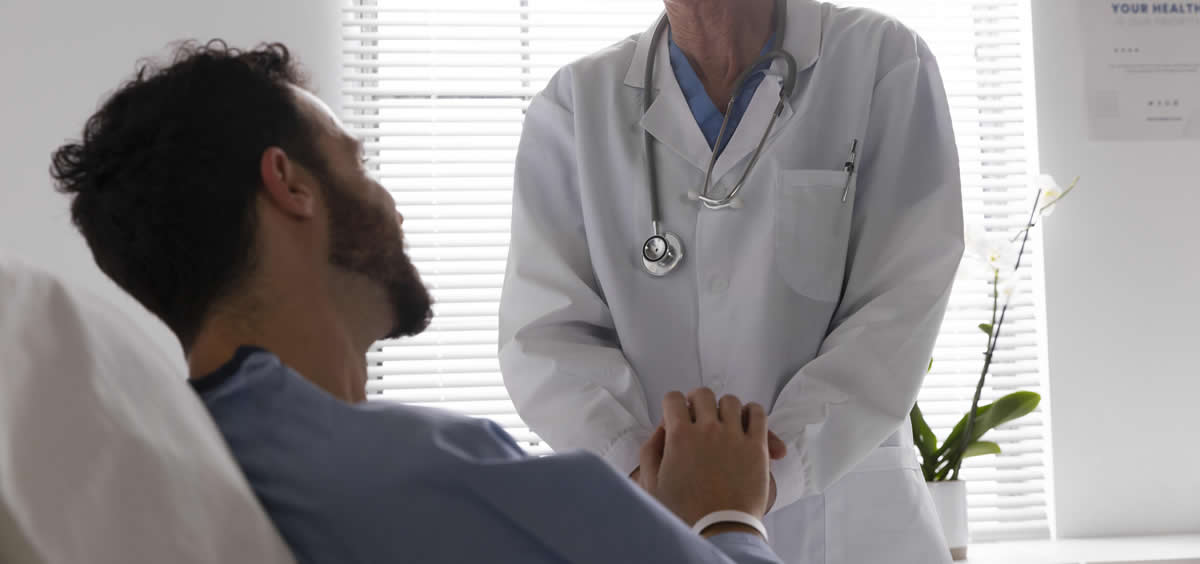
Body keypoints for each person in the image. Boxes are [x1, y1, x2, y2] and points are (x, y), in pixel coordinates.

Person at [51, 40, 791, 563]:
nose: (391, 204)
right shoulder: (409, 472)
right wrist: (726, 513)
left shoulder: (171, 466)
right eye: (354, 161)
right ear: (291, 185)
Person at [498, 0, 965, 562]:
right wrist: (647, 473)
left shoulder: (881, 60)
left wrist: (763, 477)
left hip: (847, 526)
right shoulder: (575, 102)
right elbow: (545, 336)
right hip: (654, 523)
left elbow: (898, 309)